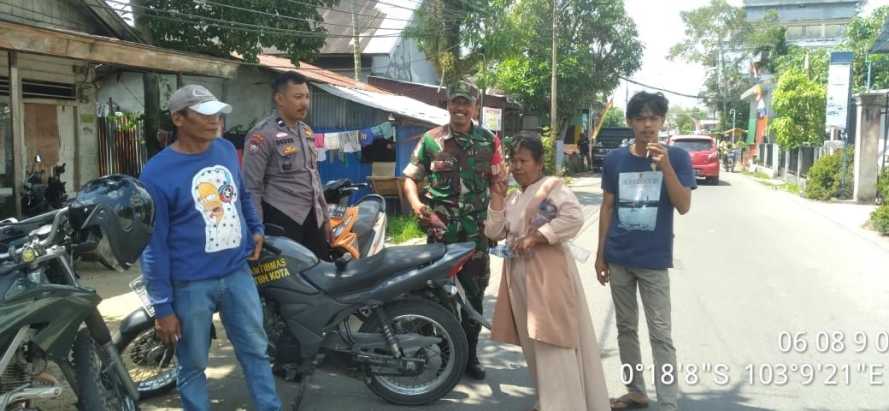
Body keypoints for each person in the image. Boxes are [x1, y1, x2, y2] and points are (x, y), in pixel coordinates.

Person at [140, 85, 281, 411]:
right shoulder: (156, 173)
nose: (215, 120)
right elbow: (153, 245)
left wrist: (255, 229)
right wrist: (162, 306)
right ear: (178, 118)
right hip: (190, 284)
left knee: (256, 351)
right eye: (204, 114)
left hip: (236, 274)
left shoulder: (226, 150)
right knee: (192, 365)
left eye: (217, 113)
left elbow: (242, 194)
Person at [485, 138, 611, 411]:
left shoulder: (550, 189)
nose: (517, 167)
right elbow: (493, 233)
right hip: (518, 276)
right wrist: (497, 197)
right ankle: (549, 400)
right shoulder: (515, 196)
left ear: (539, 163)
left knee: (552, 339)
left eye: (523, 161)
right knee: (533, 343)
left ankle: (564, 404)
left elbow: (573, 218)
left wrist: (538, 236)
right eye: (513, 161)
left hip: (547, 275)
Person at [594, 91, 695, 411]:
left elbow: (683, 206)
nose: (647, 124)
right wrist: (600, 254)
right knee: (625, 330)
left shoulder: (677, 158)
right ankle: (636, 390)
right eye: (640, 118)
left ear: (662, 121)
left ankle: (668, 403)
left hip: (654, 261)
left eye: (653, 118)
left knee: (661, 335)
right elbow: (608, 207)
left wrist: (665, 167)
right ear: (630, 122)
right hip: (620, 257)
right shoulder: (614, 160)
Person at [402, 81, 504, 380]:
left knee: (473, 299)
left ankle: (470, 356)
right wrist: (418, 206)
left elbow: (499, 184)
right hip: (439, 235)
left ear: (475, 106)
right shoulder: (431, 140)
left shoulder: (489, 141)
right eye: (454, 103)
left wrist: (499, 221)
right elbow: (410, 178)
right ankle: (445, 355)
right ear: (448, 105)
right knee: (434, 296)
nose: (459, 109)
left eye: (466, 103)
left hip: (475, 238)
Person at [242, 71, 331, 260]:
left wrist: (325, 216)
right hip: (282, 218)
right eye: (298, 97)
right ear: (280, 99)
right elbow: (251, 187)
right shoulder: (262, 135)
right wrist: (256, 229)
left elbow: (313, 176)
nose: (304, 103)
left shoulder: (306, 131)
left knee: (321, 272)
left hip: (312, 216)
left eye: (307, 97)